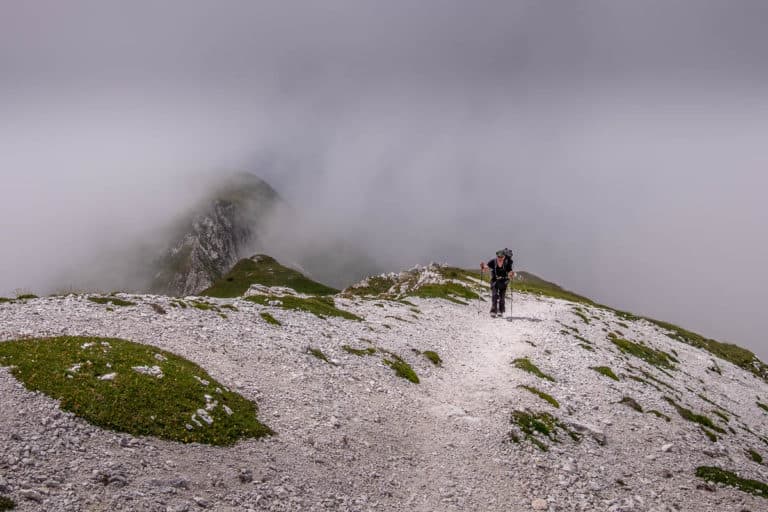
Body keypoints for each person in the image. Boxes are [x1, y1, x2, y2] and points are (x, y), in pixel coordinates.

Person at [480, 249, 514, 317]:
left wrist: (511, 274)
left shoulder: (507, 263)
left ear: (504, 257)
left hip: (504, 281)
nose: (500, 258)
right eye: (499, 257)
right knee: (494, 295)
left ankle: (500, 310)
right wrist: (483, 266)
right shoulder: (493, 261)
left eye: (502, 257)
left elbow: (510, 271)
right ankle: (493, 311)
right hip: (494, 280)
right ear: (497, 256)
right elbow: (486, 268)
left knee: (502, 297)